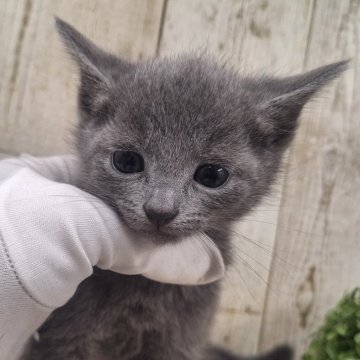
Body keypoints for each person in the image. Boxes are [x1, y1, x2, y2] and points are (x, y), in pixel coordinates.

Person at [0, 155, 224, 360]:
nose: (161, 207)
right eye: (128, 162)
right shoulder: (71, 242)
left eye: (210, 176)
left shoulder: (210, 264)